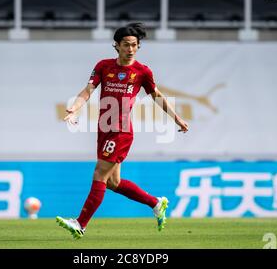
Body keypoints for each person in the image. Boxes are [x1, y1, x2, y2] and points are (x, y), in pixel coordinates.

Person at [56, 23, 189, 239]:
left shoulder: (142, 72)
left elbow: (157, 96)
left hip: (121, 131)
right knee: (113, 183)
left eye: (135, 45)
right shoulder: (103, 66)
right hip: (104, 129)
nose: (131, 49)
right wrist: (74, 108)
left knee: (100, 173)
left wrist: (177, 118)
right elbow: (88, 90)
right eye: (126, 45)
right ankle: (155, 203)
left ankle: (80, 223)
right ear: (116, 46)